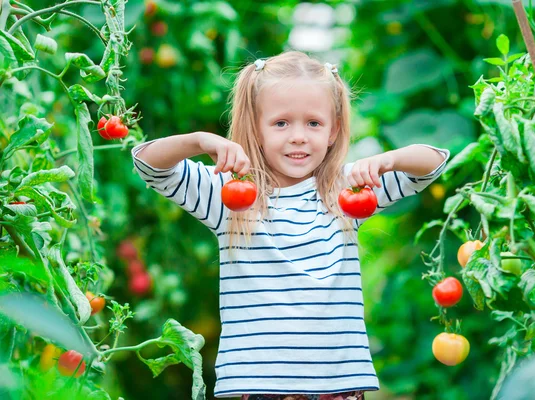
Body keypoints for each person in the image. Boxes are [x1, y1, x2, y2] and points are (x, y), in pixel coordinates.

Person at [131, 51, 449, 400]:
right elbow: (149, 166)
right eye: (281, 123)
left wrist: (391, 159)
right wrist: (199, 141)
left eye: (313, 123)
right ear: (256, 128)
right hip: (261, 385)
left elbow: (432, 165)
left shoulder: (345, 192)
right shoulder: (231, 195)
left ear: (334, 131)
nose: (298, 136)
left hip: (338, 385)